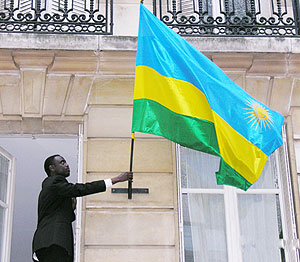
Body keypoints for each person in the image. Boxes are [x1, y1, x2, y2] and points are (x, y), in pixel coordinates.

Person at [32, 154, 132, 262]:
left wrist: (71, 209)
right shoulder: (54, 182)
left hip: (49, 244)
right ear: (52, 168)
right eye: (62, 162)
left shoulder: (54, 189)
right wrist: (115, 180)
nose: (67, 165)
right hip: (53, 242)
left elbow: (56, 213)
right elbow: (80, 189)